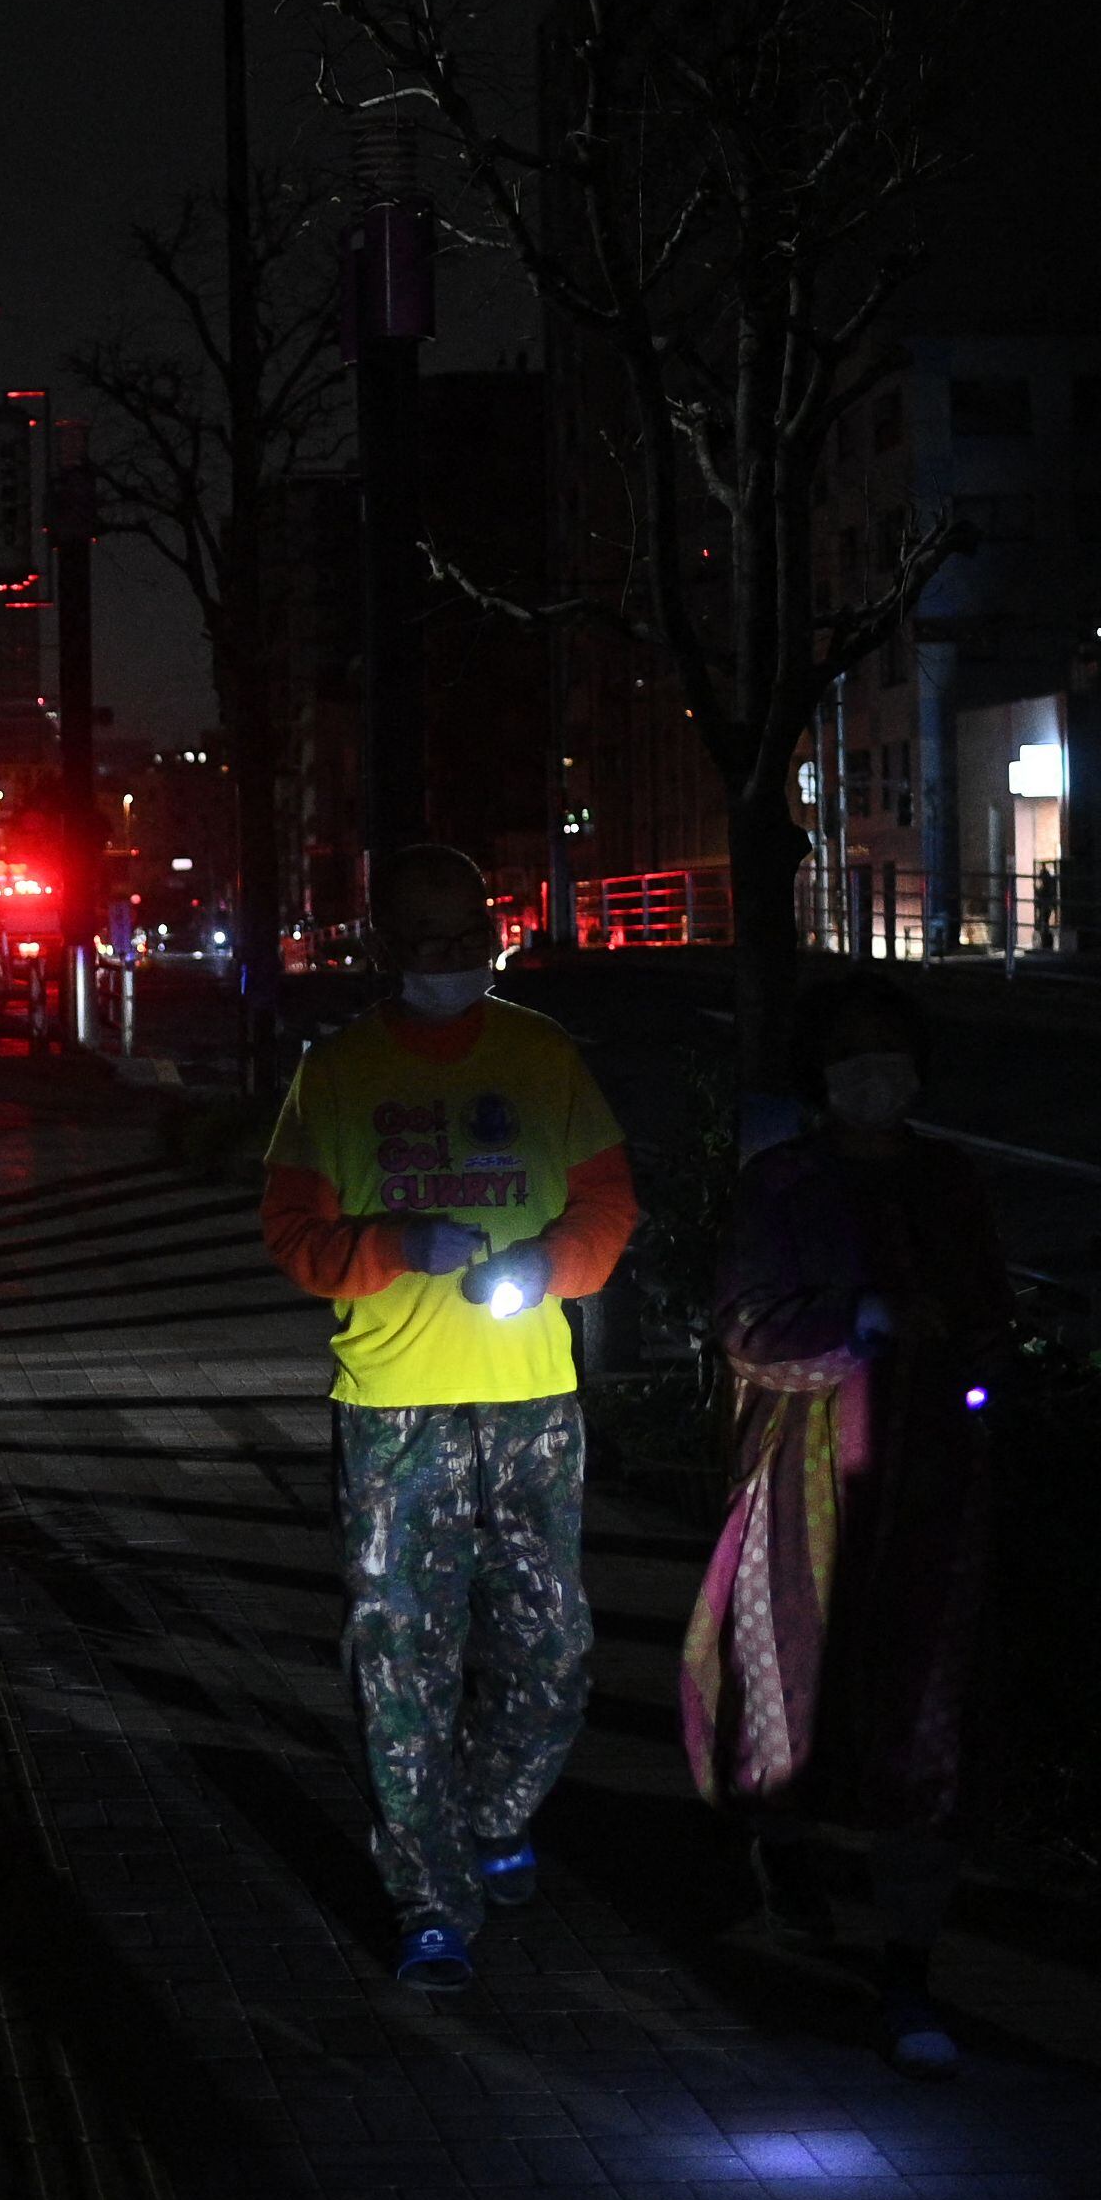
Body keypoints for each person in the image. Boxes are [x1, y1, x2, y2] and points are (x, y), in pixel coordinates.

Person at [260, 844, 640, 1992]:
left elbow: (609, 1199)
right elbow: (291, 1232)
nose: (443, 965)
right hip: (396, 1407)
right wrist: (389, 1247)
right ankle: (430, 1894)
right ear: (384, 949)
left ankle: (487, 1810)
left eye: (463, 942)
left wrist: (554, 1262)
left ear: (489, 936)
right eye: (420, 946)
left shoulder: (540, 1053)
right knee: (400, 1659)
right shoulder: (337, 1072)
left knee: (553, 1649)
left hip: (531, 1399)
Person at [680, 972, 1010, 2078]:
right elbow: (745, 1325)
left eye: (894, 1053)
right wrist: (852, 1324)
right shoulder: (785, 1185)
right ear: (820, 1074)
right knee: (795, 1682)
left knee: (924, 1709)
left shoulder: (949, 1179)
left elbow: (988, 1315)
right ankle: (787, 1866)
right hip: (806, 1479)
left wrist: (972, 1359)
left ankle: (909, 1960)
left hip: (933, 1489)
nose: (878, 1074)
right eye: (853, 1054)